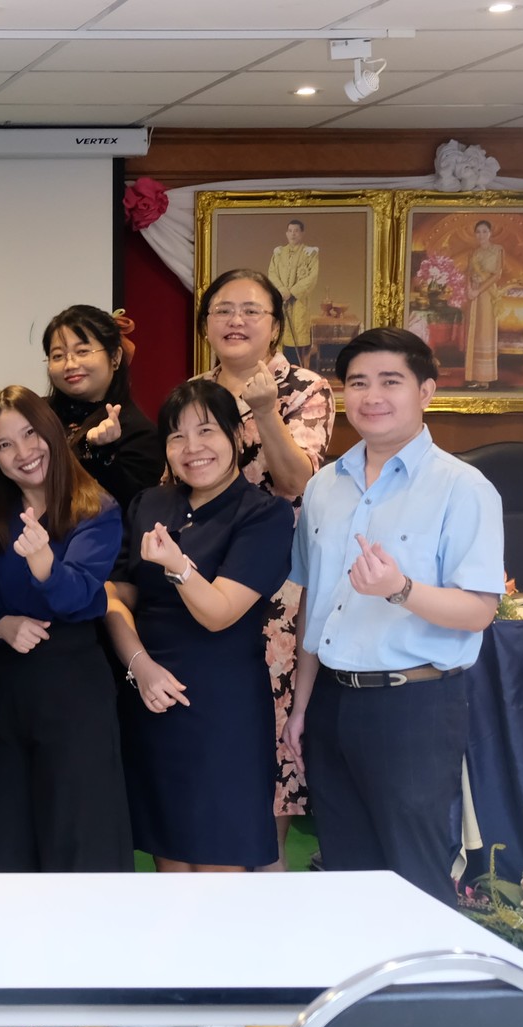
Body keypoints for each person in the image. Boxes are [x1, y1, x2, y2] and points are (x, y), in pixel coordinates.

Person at [104, 378, 293, 1027]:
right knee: (170, 847)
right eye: (177, 435)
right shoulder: (149, 503)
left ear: (239, 437)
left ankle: (230, 1004)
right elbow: (116, 594)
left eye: (207, 430)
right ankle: (184, 994)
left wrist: (179, 566)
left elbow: (219, 613)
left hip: (220, 698)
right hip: (151, 688)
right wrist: (138, 665)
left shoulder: (263, 514)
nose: (192, 447)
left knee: (218, 850)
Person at [288, 327, 503, 903]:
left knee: (415, 876)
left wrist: (400, 589)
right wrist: (301, 706)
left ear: (426, 391)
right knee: (345, 870)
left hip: (414, 706)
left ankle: (424, 967)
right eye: (358, 383)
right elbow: (314, 604)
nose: (372, 396)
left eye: (390, 381)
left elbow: (480, 610)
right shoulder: (323, 486)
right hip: (332, 702)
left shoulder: (463, 488)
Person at [0, 385, 133, 1027]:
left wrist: (42, 562)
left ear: (54, 433)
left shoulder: (96, 508)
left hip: (72, 686)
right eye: (3, 444)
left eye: (31, 435)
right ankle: (16, 996)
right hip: (2, 686)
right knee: (5, 845)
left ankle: (64, 1014)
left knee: (75, 845)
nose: (22, 453)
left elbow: (82, 598)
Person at [199, 268, 334, 867]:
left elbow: (296, 481)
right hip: (201, 581)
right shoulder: (195, 391)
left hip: (275, 585)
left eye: (251, 310)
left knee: (271, 735)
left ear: (276, 326)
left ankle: (269, 870)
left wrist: (264, 412)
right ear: (206, 325)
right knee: (213, 736)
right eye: (223, 310)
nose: (236, 321)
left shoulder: (305, 388)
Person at [43, 305, 163, 508]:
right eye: (58, 356)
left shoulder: (139, 432)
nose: (70, 364)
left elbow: (132, 506)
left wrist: (103, 454)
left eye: (82, 351)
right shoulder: (37, 415)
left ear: (115, 357)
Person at [267, 219, 320, 370]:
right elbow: (272, 273)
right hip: (281, 300)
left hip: (299, 302)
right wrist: (282, 290)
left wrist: (292, 292)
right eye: (290, 231)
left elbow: (312, 277)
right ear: (286, 233)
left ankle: (299, 371)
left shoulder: (309, 253)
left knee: (298, 336)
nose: (293, 234)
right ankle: (281, 370)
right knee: (281, 335)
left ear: (302, 233)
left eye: (296, 231)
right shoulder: (278, 253)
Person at [463, 220, 504, 389]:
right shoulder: (474, 253)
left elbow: (497, 275)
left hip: (487, 294)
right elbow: (468, 272)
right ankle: (474, 376)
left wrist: (478, 291)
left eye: (484, 231)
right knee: (474, 333)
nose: (481, 235)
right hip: (474, 295)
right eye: (478, 231)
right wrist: (469, 290)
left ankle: (485, 378)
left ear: (490, 233)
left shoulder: (497, 250)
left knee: (485, 332)